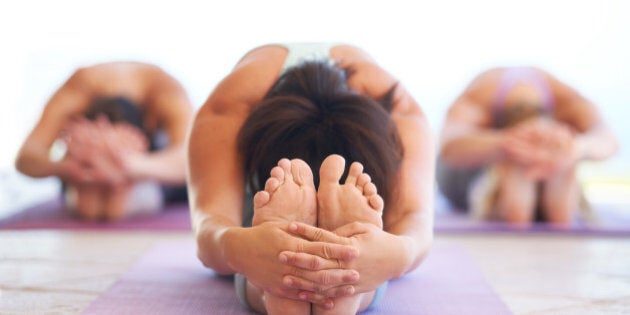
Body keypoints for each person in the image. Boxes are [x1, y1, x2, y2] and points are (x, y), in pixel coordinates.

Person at [187, 43, 434, 314]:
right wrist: (241, 248)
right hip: (263, 189)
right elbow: (211, 231)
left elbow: (414, 223)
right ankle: (348, 293)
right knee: (255, 242)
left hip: (356, 186)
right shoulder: (229, 107)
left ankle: (276, 295)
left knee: (370, 253)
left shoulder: (400, 113)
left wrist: (393, 254)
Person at [437, 66, 618, 224]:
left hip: (549, 158)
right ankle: (516, 176)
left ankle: (547, 169)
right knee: (517, 172)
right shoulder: (483, 95)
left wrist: (575, 147)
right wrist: (508, 144)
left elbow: (609, 141)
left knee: (561, 160)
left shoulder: (567, 101)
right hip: (472, 165)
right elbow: (447, 147)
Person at [15, 61, 194, 221]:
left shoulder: (166, 92)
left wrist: (129, 165)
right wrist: (72, 165)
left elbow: (190, 162)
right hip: (83, 167)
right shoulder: (77, 90)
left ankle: (118, 175)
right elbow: (26, 158)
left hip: (145, 168)